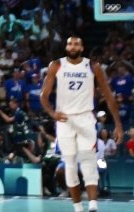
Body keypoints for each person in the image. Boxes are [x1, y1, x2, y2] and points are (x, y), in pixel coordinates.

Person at [39, 35, 123, 212]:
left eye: (76, 44)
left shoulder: (93, 67)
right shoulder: (56, 65)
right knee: (69, 164)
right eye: (70, 43)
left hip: (85, 118)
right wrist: (52, 113)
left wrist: (118, 124)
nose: (72, 46)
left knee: (88, 162)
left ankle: (93, 207)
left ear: (82, 48)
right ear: (66, 47)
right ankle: (78, 208)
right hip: (65, 120)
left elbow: (108, 96)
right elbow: (43, 96)